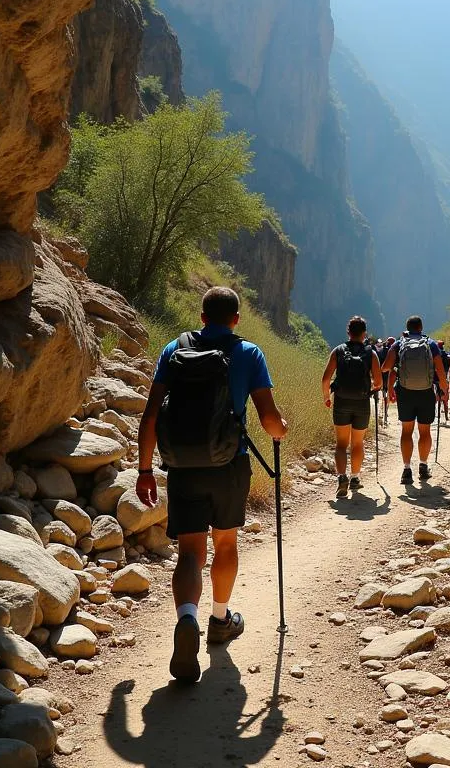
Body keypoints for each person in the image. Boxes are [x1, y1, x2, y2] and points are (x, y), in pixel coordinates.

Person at [136, 286, 287, 684]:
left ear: (202, 317)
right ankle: (220, 619)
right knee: (225, 543)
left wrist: (144, 470)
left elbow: (151, 414)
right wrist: (281, 429)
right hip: (228, 466)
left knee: (189, 552)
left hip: (183, 466)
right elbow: (270, 421)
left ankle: (187, 618)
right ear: (236, 319)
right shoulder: (249, 353)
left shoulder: (174, 349)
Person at [321, 315, 383, 498]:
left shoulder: (338, 351)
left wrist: (327, 398)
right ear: (364, 334)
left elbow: (326, 379)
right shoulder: (370, 353)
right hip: (362, 403)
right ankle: (355, 477)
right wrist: (370, 389)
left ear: (348, 332)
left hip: (341, 402)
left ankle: (342, 478)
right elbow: (379, 382)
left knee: (341, 444)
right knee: (357, 443)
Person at [381, 316, 448, 485]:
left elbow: (386, 367)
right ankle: (423, 467)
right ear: (421, 327)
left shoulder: (399, 344)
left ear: (407, 328)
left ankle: (406, 470)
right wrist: (444, 389)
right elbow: (440, 369)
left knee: (406, 431)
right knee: (425, 431)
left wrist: (393, 368)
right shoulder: (431, 344)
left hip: (405, 393)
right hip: (426, 392)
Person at [436, 340, 450, 420]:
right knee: (445, 399)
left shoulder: (435, 355)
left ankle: (436, 415)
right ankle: (446, 416)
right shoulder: (447, 356)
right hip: (444, 378)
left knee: (436, 398)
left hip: (436, 378)